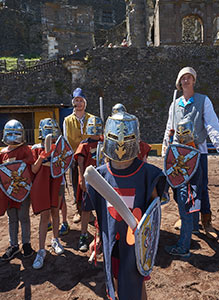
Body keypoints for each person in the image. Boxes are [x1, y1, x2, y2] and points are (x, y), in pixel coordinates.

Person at [85, 111, 167, 300]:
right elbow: (102, 215)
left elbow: (152, 217)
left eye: (127, 138)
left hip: (135, 247)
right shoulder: (100, 176)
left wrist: (146, 243)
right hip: (112, 242)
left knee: (136, 285)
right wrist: (97, 239)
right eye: (115, 137)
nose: (121, 143)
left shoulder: (148, 175)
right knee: (114, 282)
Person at [162, 66, 219, 239]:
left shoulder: (203, 101)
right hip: (178, 153)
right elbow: (169, 128)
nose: (186, 80)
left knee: (200, 187)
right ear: (179, 82)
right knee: (179, 186)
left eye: (189, 77)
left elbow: (211, 125)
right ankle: (184, 217)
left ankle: (206, 221)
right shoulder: (175, 104)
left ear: (194, 80)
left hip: (197, 151)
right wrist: (166, 148)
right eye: (183, 78)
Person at [0, 120, 35, 260]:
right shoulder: (2, 153)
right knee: (12, 219)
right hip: (9, 192)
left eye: (16, 134)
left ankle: (26, 244)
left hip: (22, 191)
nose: (14, 137)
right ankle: (14, 245)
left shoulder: (25, 150)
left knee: (24, 218)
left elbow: (30, 167)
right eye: (11, 134)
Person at [30, 118, 65, 269]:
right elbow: (33, 170)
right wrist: (42, 157)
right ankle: (41, 249)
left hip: (58, 182)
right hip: (43, 185)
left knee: (55, 212)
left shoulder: (60, 146)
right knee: (45, 216)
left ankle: (55, 239)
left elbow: (64, 164)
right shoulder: (36, 148)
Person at [164, 120, 202, 258]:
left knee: (185, 217)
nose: (182, 135)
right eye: (180, 133)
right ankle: (193, 230)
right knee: (189, 215)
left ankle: (183, 247)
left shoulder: (193, 152)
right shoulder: (185, 148)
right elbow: (171, 157)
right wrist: (169, 138)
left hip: (187, 188)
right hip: (183, 186)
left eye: (185, 132)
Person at [62, 87, 95, 226]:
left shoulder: (92, 119)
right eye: (77, 100)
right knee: (76, 183)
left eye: (81, 100)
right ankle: (78, 209)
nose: (79, 103)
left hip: (90, 157)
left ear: (85, 103)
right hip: (75, 157)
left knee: (91, 183)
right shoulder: (67, 120)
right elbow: (65, 139)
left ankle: (90, 210)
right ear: (73, 102)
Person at [74, 116, 103, 252]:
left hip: (103, 181)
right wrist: (82, 179)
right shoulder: (84, 145)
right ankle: (83, 236)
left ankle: (100, 237)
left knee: (101, 210)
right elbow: (80, 163)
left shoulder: (105, 142)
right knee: (86, 210)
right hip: (89, 180)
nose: (95, 132)